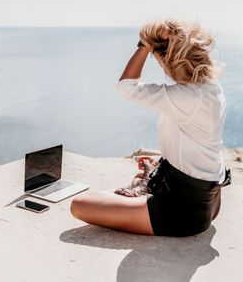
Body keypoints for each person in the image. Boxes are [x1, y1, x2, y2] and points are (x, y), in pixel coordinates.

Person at [69, 18, 232, 237]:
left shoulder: (186, 97)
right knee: (139, 177)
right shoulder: (211, 89)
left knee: (80, 205)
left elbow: (127, 87)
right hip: (207, 200)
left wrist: (144, 45)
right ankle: (146, 189)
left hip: (183, 212)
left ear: (172, 61)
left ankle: (146, 198)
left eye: (160, 61)